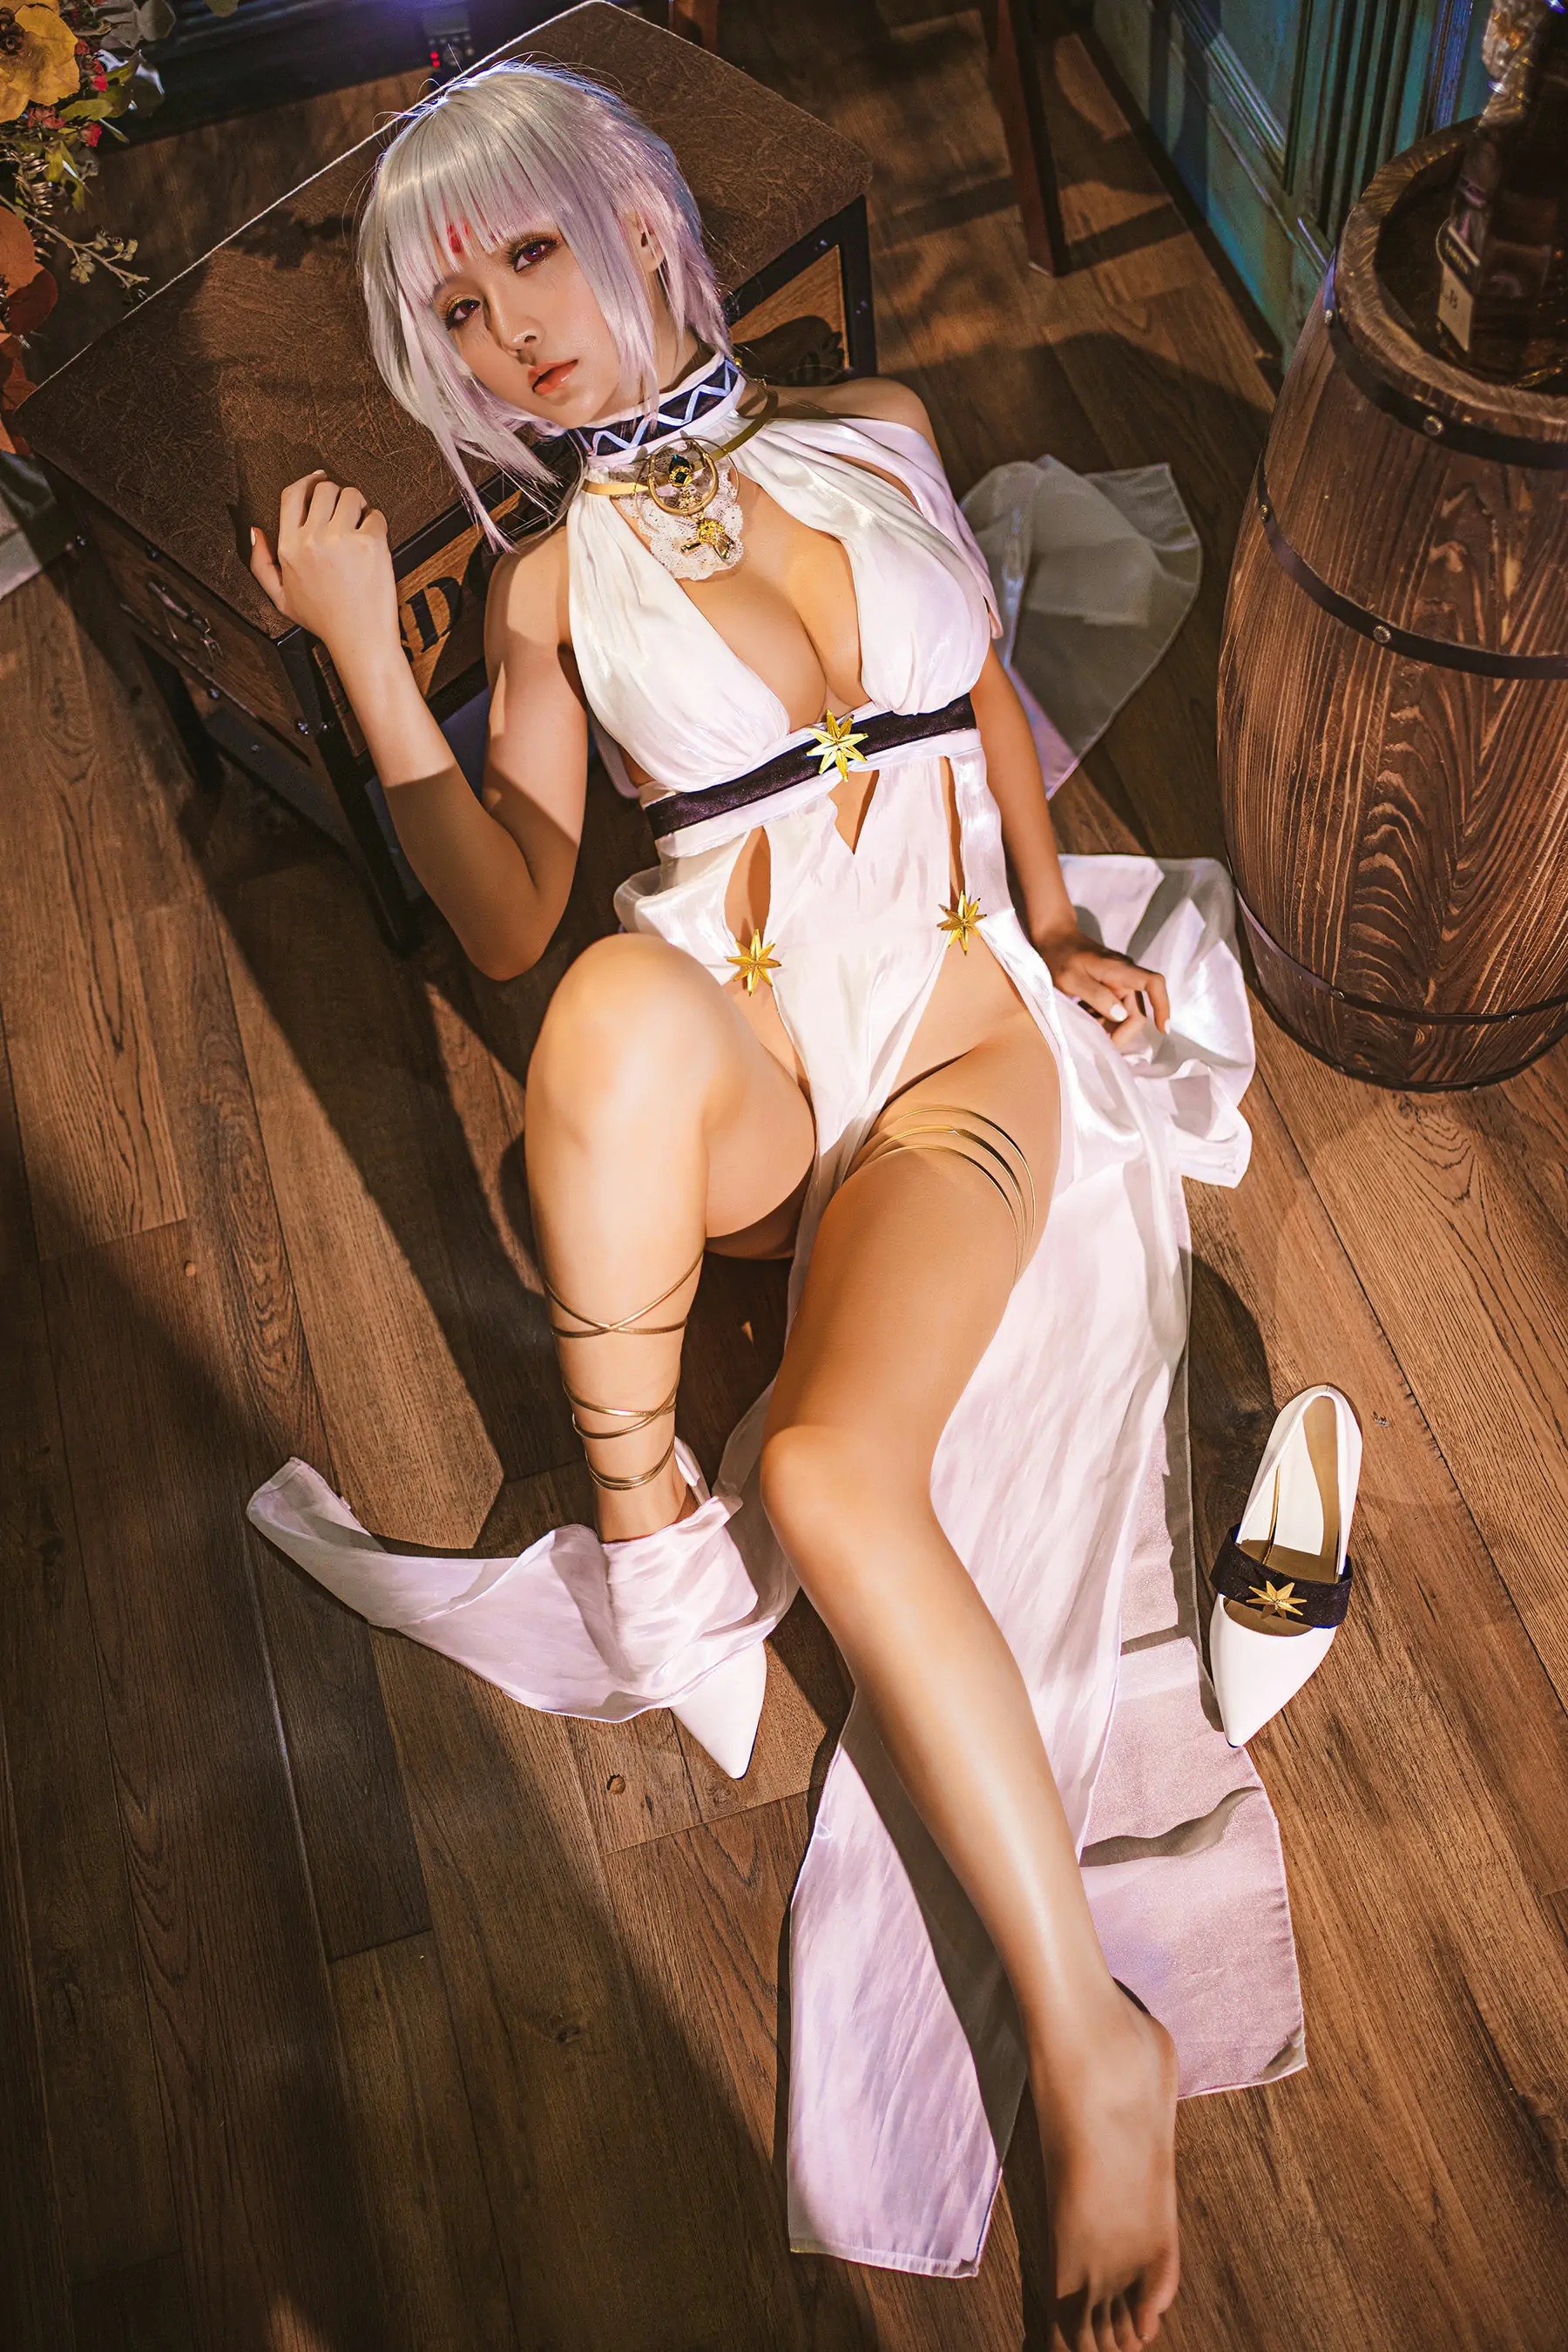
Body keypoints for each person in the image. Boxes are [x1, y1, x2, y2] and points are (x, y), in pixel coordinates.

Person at [245, 59, 1287, 2349]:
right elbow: (509, 914)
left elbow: (983, 694)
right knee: (608, 1000)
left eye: (528, 255)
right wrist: (369, 661)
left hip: (954, 1041)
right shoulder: (542, 587)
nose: (509, 331)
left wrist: (1056, 917)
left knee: (828, 1464)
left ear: (637, 224)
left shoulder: (879, 430)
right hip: (754, 1063)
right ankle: (643, 1541)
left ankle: (1091, 2043)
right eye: (457, 310)